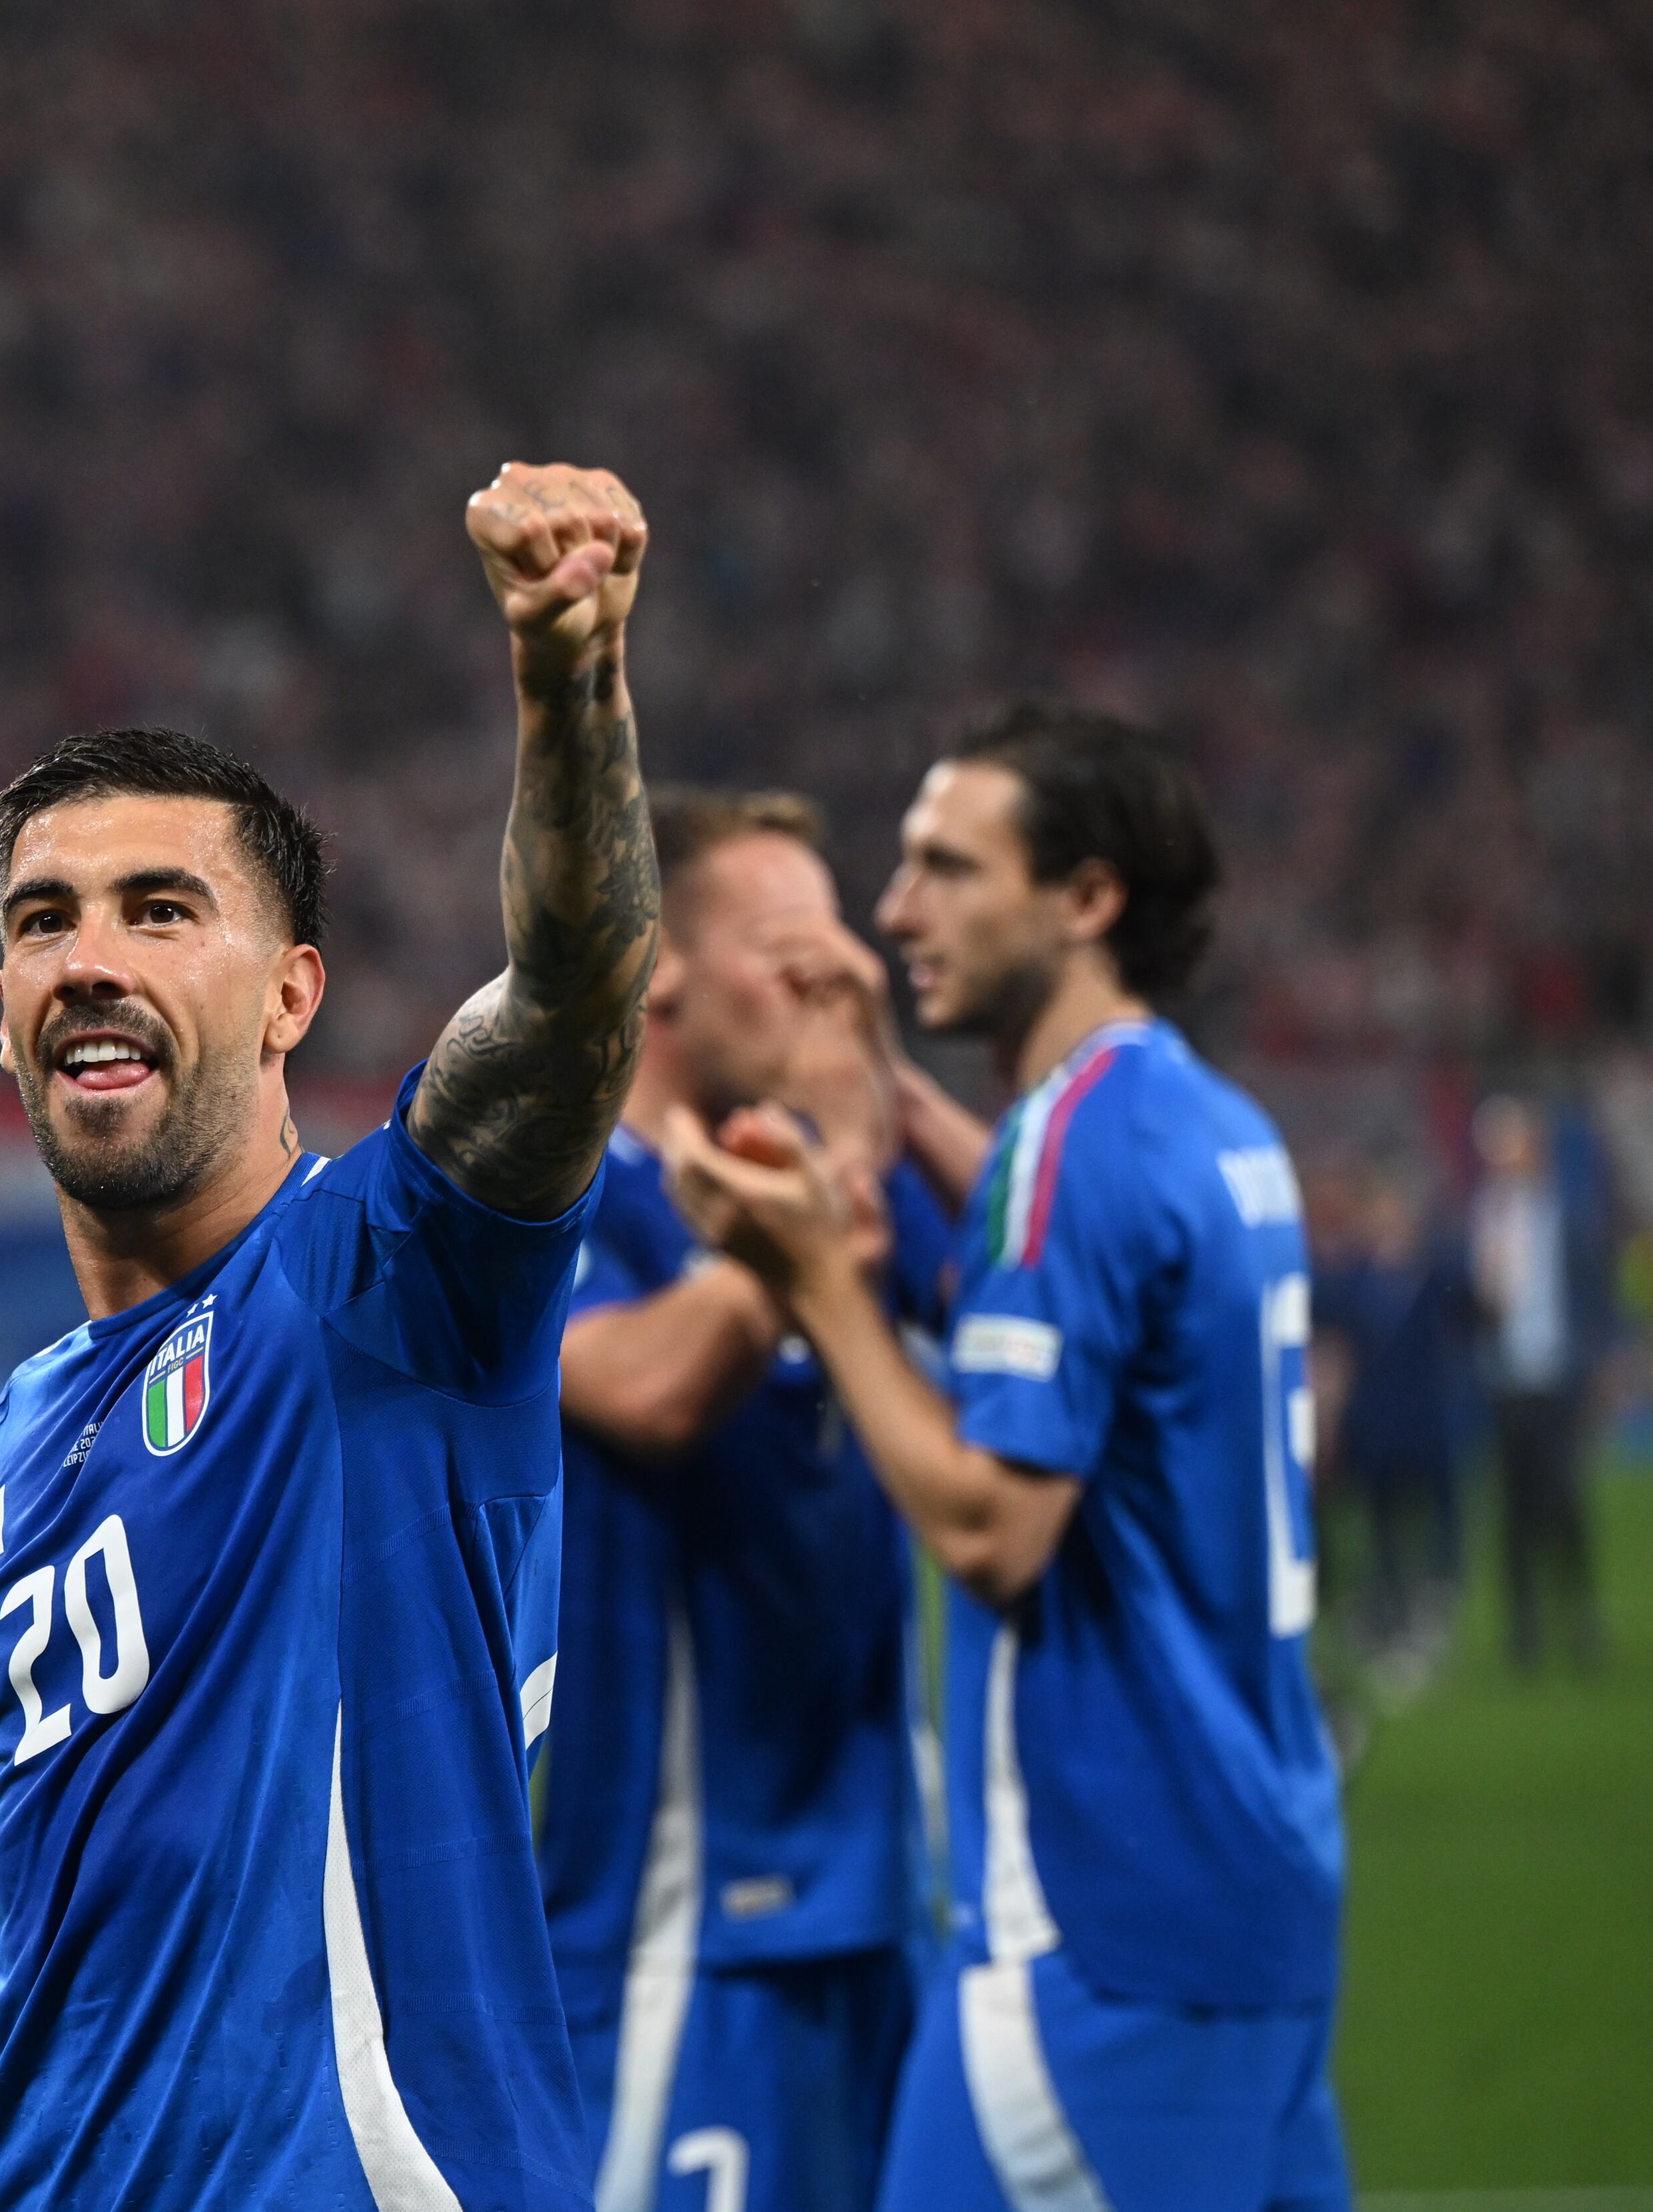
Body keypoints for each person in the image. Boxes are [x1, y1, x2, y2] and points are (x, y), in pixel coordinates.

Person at [0, 461, 662, 2209]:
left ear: (289, 993)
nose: (89, 957)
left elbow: (566, 1002)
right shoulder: (33, 1426)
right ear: (3, 1017)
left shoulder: (386, 1285)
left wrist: (570, 681)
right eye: (43, 922)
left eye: (160, 909)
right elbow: (69, 1876)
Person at [662, 703, 1349, 2212]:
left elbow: (990, 1526)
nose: (892, 910)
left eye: (944, 868)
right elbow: (1045, 1280)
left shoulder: (1063, 1148)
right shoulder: (1201, 1122)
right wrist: (893, 1083)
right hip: (1259, 1876)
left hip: (1101, 1917)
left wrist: (821, 1283)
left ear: (1084, 900)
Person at [541, 788, 953, 2212]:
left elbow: (1052, 1306)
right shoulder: (562, 1194)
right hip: (685, 1931)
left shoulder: (836, 1161)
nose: (836, 975)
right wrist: (833, 1167)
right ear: (658, 966)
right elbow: (649, 1391)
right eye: (791, 946)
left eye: (845, 940)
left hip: (890, 1904)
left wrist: (876, 1101)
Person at [1467, 1094, 1617, 1674]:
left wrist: (1601, 1366)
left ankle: (1577, 1614)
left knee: (1565, 1502)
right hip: (1504, 1379)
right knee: (1514, 1510)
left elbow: (1593, 1296)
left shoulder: (1563, 1213)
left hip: (1556, 1376)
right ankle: (1524, 1631)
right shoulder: (1483, 1216)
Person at [1315, 1166, 1473, 1690]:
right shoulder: (1355, 1277)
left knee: (1428, 1527)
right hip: (1376, 1426)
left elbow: (1470, 1303)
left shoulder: (1432, 1274)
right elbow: (1320, 1311)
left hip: (1423, 1424)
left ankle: (1425, 1620)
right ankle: (1388, 1623)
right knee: (1381, 1534)